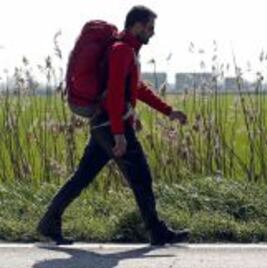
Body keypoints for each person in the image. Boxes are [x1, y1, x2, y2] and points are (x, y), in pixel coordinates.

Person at [38, 5, 189, 246]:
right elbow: (115, 94)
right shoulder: (122, 51)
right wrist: (119, 134)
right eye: (150, 27)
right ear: (137, 26)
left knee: (83, 177)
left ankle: (49, 222)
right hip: (112, 124)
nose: (153, 33)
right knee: (141, 176)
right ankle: (156, 231)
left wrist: (169, 111)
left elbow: (136, 88)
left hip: (103, 124)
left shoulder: (125, 49)